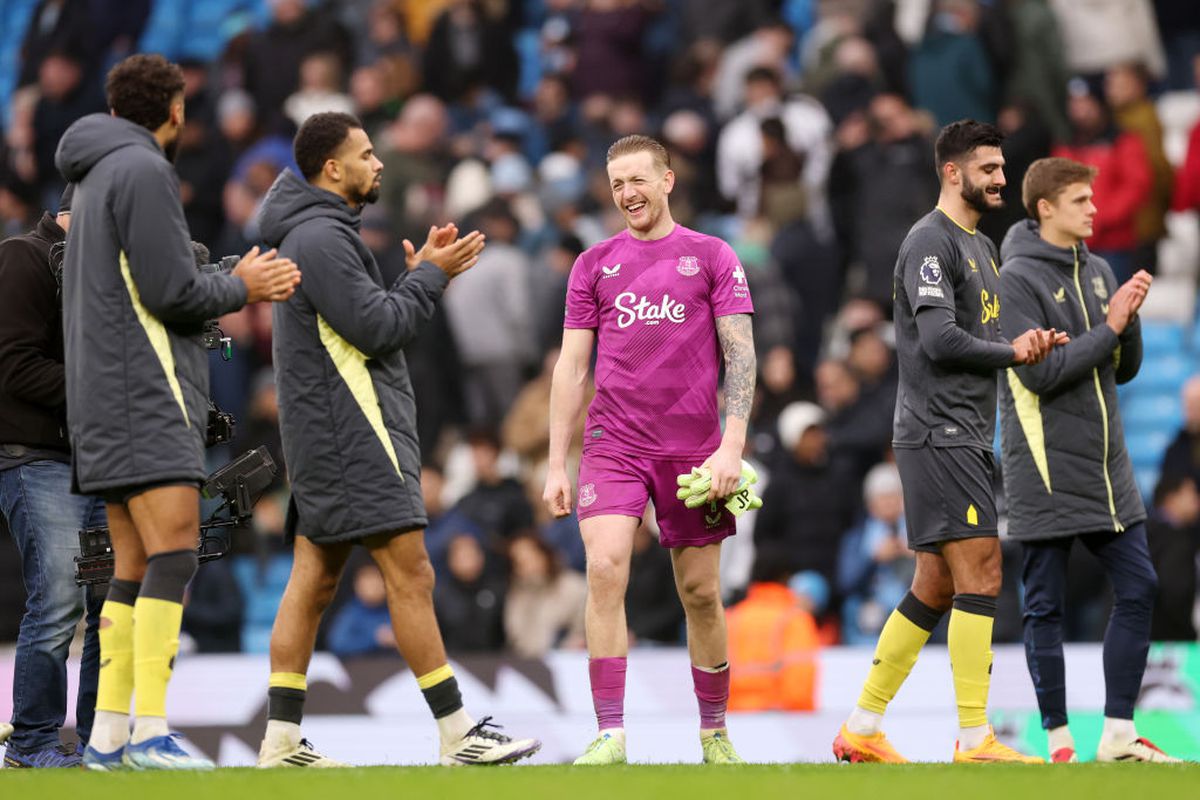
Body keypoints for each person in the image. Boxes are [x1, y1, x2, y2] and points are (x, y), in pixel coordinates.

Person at [255, 111, 539, 768]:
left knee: (313, 583)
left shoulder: (316, 235)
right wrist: (428, 277)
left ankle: (279, 741)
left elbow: (360, 324)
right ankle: (458, 732)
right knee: (411, 573)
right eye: (366, 153)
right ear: (333, 168)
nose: (378, 163)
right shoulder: (322, 238)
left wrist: (418, 278)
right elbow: (378, 329)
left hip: (325, 436)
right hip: (354, 437)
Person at [55, 54, 301, 771]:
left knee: (129, 568)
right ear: (175, 110)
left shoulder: (91, 175)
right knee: (176, 552)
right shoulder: (144, 172)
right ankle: (152, 731)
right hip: (145, 396)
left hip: (100, 403)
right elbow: (170, 293)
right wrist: (242, 283)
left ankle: (107, 737)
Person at [833, 120, 1060, 765]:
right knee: (983, 567)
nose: (1001, 179)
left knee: (934, 584)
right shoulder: (929, 242)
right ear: (953, 172)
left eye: (1002, 167)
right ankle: (973, 737)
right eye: (989, 168)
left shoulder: (981, 248)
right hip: (940, 432)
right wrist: (1009, 353)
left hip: (960, 431)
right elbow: (938, 341)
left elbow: (986, 339)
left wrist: (1029, 343)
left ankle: (863, 726)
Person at [543, 134, 756, 765]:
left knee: (700, 594)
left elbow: (741, 353)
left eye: (638, 180)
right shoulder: (593, 265)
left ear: (667, 180)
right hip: (614, 445)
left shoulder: (712, 255)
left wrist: (731, 448)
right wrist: (558, 460)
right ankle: (611, 733)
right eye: (616, 185)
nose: (627, 194)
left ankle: (714, 732)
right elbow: (572, 367)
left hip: (695, 451)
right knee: (605, 567)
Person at [997, 156, 1179, 763]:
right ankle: (1057, 741)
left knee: (1140, 584)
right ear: (1045, 208)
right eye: (1080, 200)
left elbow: (1123, 369)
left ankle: (1119, 734)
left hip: (1107, 470)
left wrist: (1126, 327)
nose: (1095, 209)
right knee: (1044, 603)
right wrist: (1110, 327)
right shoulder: (1015, 278)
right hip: (1046, 467)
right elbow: (1044, 374)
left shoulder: (1100, 269)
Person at [0, 186, 102, 768]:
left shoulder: (93, 275)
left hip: (92, 460)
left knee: (107, 600)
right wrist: (103, 394)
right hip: (34, 454)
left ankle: (98, 743)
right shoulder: (23, 256)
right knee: (61, 595)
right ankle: (33, 743)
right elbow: (13, 366)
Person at [1146, 474, 1199, 642]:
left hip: (1137, 635)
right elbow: (1176, 593)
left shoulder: (1140, 533)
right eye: (1191, 493)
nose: (1197, 500)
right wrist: (1187, 633)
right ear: (1171, 499)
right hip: (1171, 641)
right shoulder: (1177, 540)